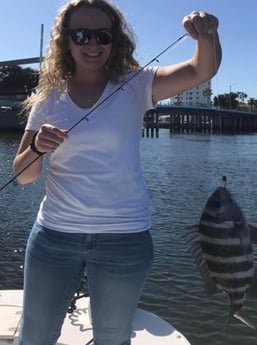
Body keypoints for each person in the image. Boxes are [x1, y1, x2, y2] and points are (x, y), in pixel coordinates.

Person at [13, 0, 221, 344]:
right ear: (66, 40)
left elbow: (201, 71)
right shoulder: (48, 97)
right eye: (81, 35)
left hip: (124, 240)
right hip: (53, 237)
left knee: (113, 337)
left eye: (102, 35)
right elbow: (24, 176)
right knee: (35, 335)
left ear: (115, 40)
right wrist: (37, 148)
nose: (92, 44)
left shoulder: (137, 84)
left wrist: (207, 36)